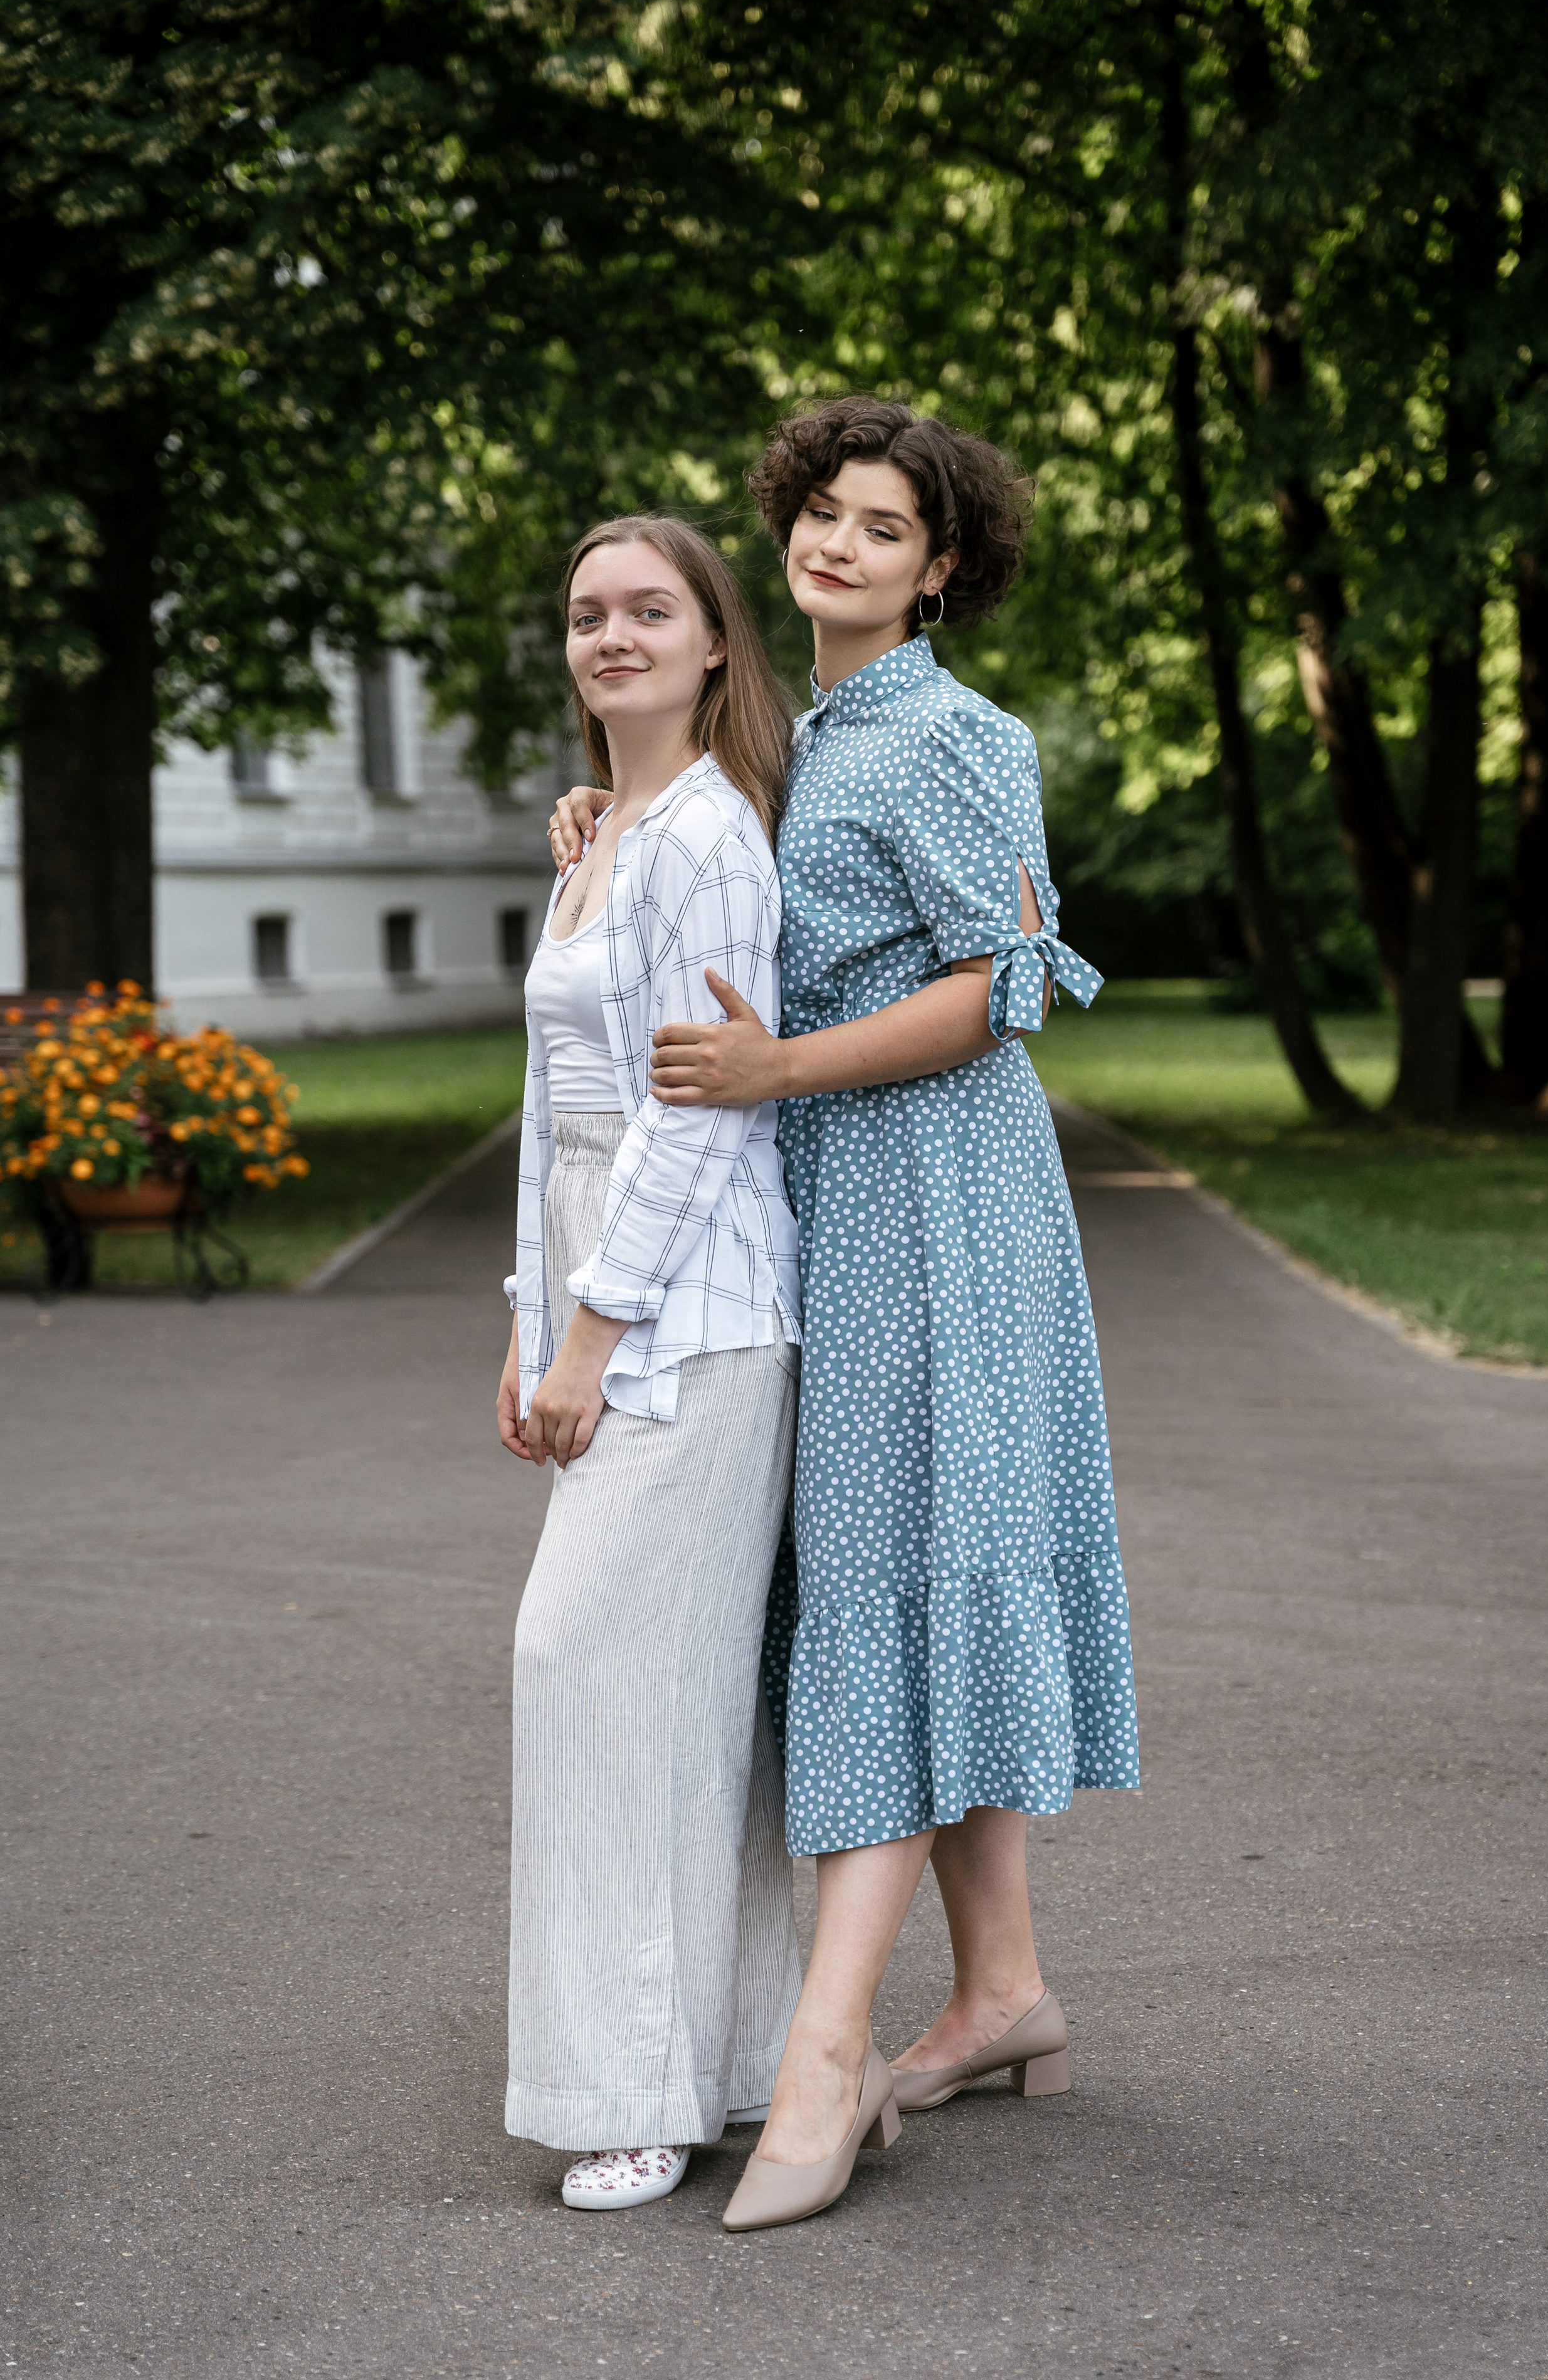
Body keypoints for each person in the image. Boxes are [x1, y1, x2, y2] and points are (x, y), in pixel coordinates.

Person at [549, 397, 1139, 2233]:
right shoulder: (801, 738)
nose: (837, 544)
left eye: (883, 528)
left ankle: (825, 2054)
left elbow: (1005, 990)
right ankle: (1003, 1992)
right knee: (900, 1573)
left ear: (940, 565)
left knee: (888, 1585)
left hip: (943, 1207)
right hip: (833, 1200)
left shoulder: (960, 735)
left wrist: (780, 1067)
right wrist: (611, 817)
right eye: (820, 512)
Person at [496, 513, 806, 2213]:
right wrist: (522, 1322)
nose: (611, 635)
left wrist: (592, 1335)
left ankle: (634, 2090)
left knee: (592, 1667)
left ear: (711, 643)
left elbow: (695, 1123)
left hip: (699, 1311)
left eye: (649, 610)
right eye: (586, 614)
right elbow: (551, 1104)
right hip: (596, 1283)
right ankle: (732, 2057)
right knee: (670, 1701)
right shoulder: (596, 835)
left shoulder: (714, 838)